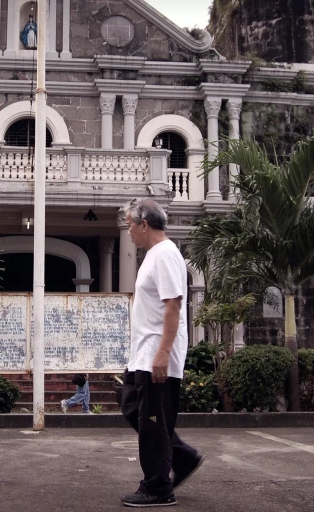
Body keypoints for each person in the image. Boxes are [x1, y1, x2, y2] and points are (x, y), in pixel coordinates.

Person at [120, 198, 204, 507]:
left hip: (158, 356)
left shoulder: (166, 255)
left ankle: (157, 487)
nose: (128, 230)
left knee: (152, 424)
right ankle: (181, 458)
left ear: (144, 224)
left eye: (130, 224)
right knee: (130, 404)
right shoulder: (154, 255)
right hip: (143, 354)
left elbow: (174, 305)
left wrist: (163, 353)